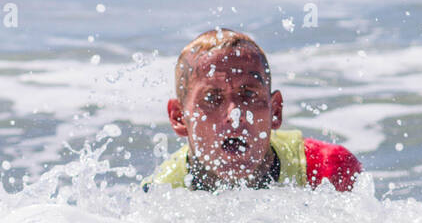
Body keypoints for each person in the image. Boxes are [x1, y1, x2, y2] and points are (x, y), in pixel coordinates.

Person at [146, 28, 362, 192]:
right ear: (179, 117)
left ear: (275, 111)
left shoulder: (325, 171)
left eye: (249, 95)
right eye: (212, 98)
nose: (235, 115)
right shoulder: (159, 195)